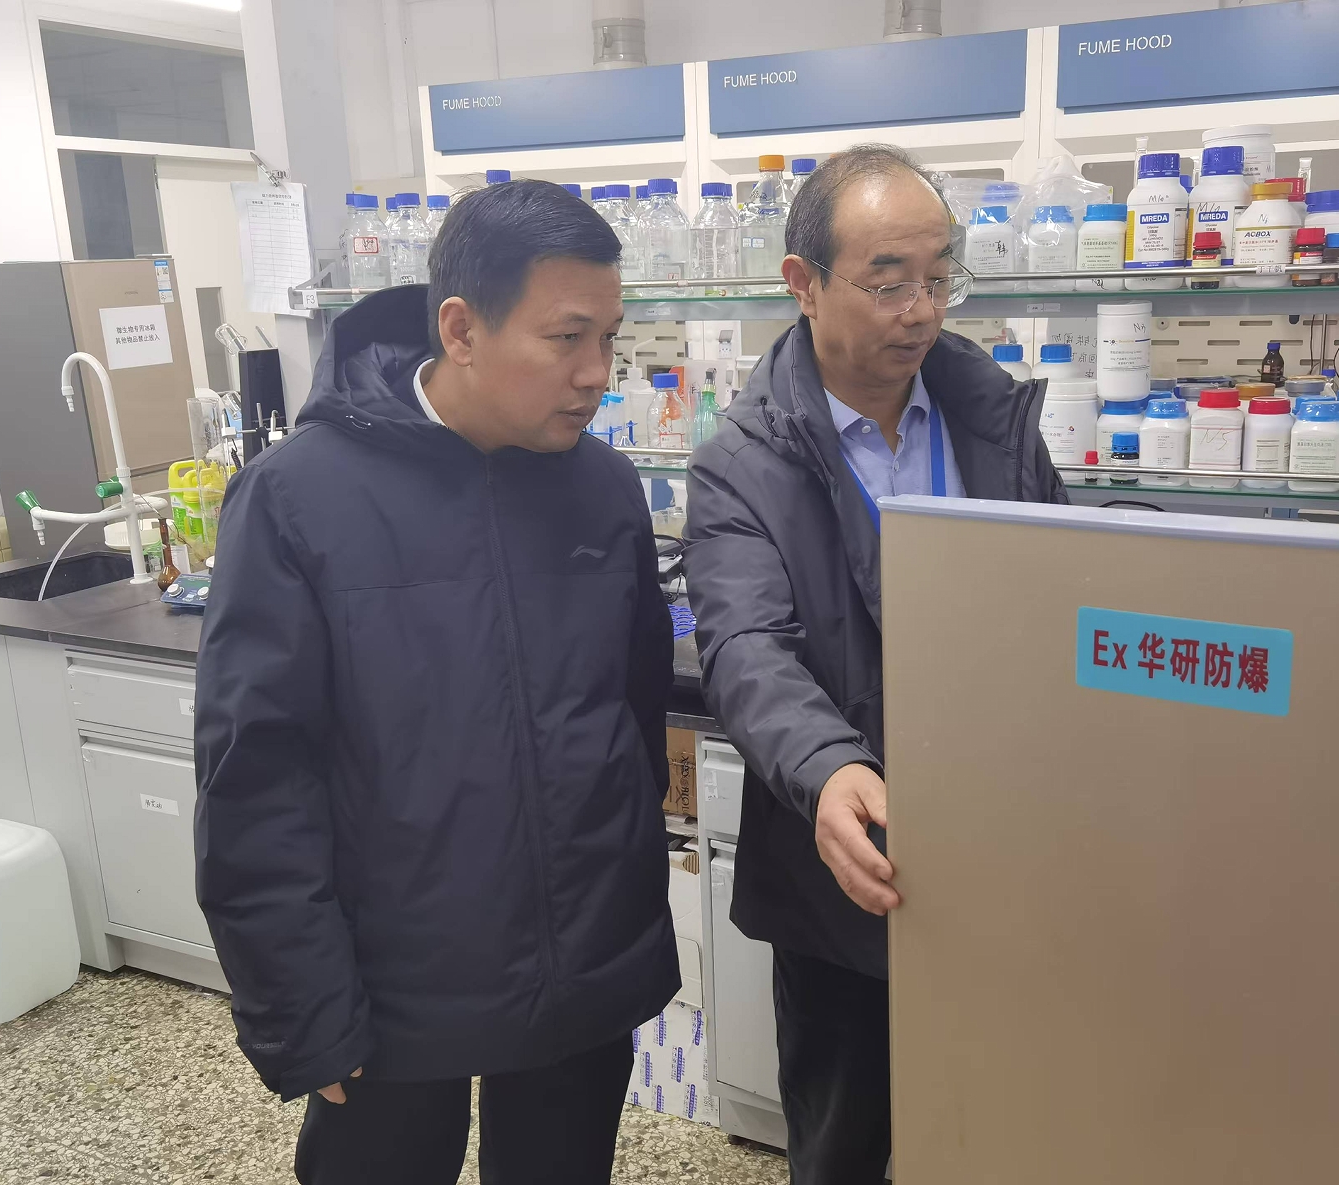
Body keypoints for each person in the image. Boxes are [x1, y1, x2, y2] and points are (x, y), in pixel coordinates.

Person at [193, 180, 677, 1185]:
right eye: (566, 338)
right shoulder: (298, 498)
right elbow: (257, 777)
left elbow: (629, 718)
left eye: (609, 339)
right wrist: (301, 1004)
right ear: (460, 329)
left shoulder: (601, 487)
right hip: (390, 985)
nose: (596, 374)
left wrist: (624, 933)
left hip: (580, 968)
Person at [683, 144, 1068, 1183]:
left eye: (940, 277)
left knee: (992, 1132)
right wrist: (827, 769)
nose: (922, 310)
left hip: (1003, 856)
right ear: (802, 283)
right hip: (844, 871)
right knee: (845, 1143)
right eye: (888, 280)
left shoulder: (991, 419)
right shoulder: (743, 462)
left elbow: (1056, 593)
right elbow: (745, 647)